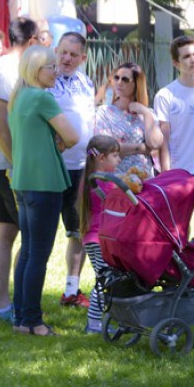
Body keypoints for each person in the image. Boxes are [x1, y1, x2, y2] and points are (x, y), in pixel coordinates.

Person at [8, 45, 80, 336]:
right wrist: (60, 142)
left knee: (27, 251)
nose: (56, 70)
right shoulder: (42, 97)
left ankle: (21, 318)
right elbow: (73, 136)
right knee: (38, 254)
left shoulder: (19, 96)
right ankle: (34, 321)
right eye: (50, 66)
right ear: (36, 70)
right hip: (45, 183)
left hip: (23, 182)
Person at [0, 16, 39, 324]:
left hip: (2, 165)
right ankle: (18, 306)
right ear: (30, 42)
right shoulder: (7, 72)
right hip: (8, 167)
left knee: (6, 232)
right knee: (29, 237)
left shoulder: (9, 69)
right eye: (40, 39)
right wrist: (17, 163)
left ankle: (5, 306)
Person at [49, 31, 96, 309]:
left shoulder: (86, 82)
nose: (67, 58)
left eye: (73, 54)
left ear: (83, 58)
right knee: (38, 235)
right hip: (51, 168)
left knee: (78, 232)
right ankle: (26, 294)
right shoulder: (44, 80)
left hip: (80, 168)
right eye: (63, 52)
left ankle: (71, 290)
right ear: (56, 50)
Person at [154, 35, 194, 209]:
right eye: (186, 56)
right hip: (179, 173)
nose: (193, 60)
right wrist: (166, 174)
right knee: (179, 230)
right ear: (176, 63)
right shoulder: (165, 95)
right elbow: (163, 140)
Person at [77, 135, 121, 334]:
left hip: (90, 238)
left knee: (103, 279)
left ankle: (101, 322)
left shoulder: (89, 180)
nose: (118, 160)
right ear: (101, 158)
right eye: (115, 155)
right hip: (100, 239)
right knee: (104, 282)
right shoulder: (106, 185)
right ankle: (94, 324)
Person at [93, 62, 162, 175]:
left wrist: (146, 113)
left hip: (143, 179)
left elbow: (155, 144)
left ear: (136, 84)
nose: (119, 83)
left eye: (125, 79)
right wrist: (142, 148)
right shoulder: (104, 112)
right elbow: (105, 147)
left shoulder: (147, 114)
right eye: (116, 78)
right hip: (115, 179)